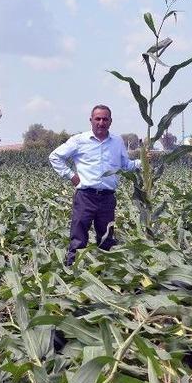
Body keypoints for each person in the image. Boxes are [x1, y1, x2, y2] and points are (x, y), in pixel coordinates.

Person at [49, 104, 141, 265]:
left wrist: (143, 163)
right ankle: (72, 272)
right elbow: (55, 157)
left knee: (106, 239)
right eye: (97, 119)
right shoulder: (79, 140)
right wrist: (70, 175)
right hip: (85, 196)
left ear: (110, 121)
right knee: (79, 237)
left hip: (107, 198)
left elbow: (126, 165)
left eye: (105, 119)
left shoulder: (117, 141)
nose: (101, 122)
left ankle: (105, 273)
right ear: (91, 120)